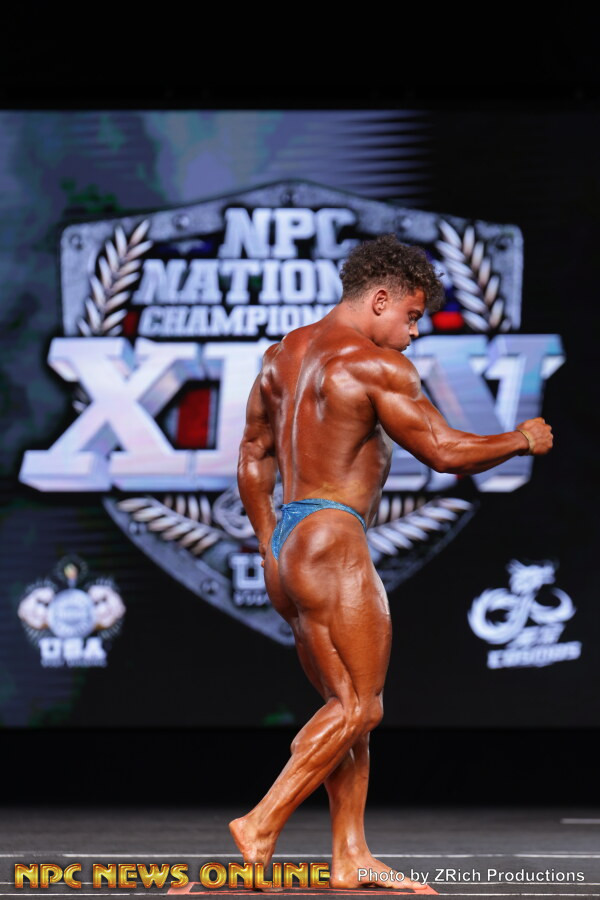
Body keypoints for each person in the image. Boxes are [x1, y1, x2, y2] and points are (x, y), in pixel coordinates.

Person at [231, 234, 553, 891]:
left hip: (291, 538)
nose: (412, 334)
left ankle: (350, 854)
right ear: (379, 299)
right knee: (361, 706)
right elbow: (443, 450)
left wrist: (268, 542)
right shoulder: (375, 365)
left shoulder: (280, 357)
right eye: (410, 316)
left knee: (343, 705)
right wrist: (521, 438)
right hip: (334, 537)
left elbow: (253, 455)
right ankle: (261, 822)